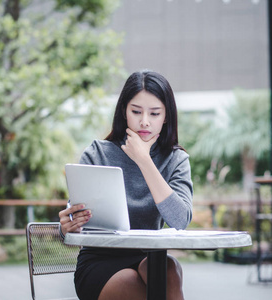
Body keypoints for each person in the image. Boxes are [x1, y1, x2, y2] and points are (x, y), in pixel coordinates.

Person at [59, 70, 193, 300]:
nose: (144, 121)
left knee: (169, 271)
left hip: (150, 256)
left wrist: (144, 160)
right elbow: (75, 218)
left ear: (166, 116)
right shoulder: (97, 153)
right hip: (100, 260)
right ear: (124, 112)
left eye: (154, 113)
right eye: (136, 111)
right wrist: (68, 225)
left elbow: (180, 220)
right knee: (130, 282)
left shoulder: (176, 160)